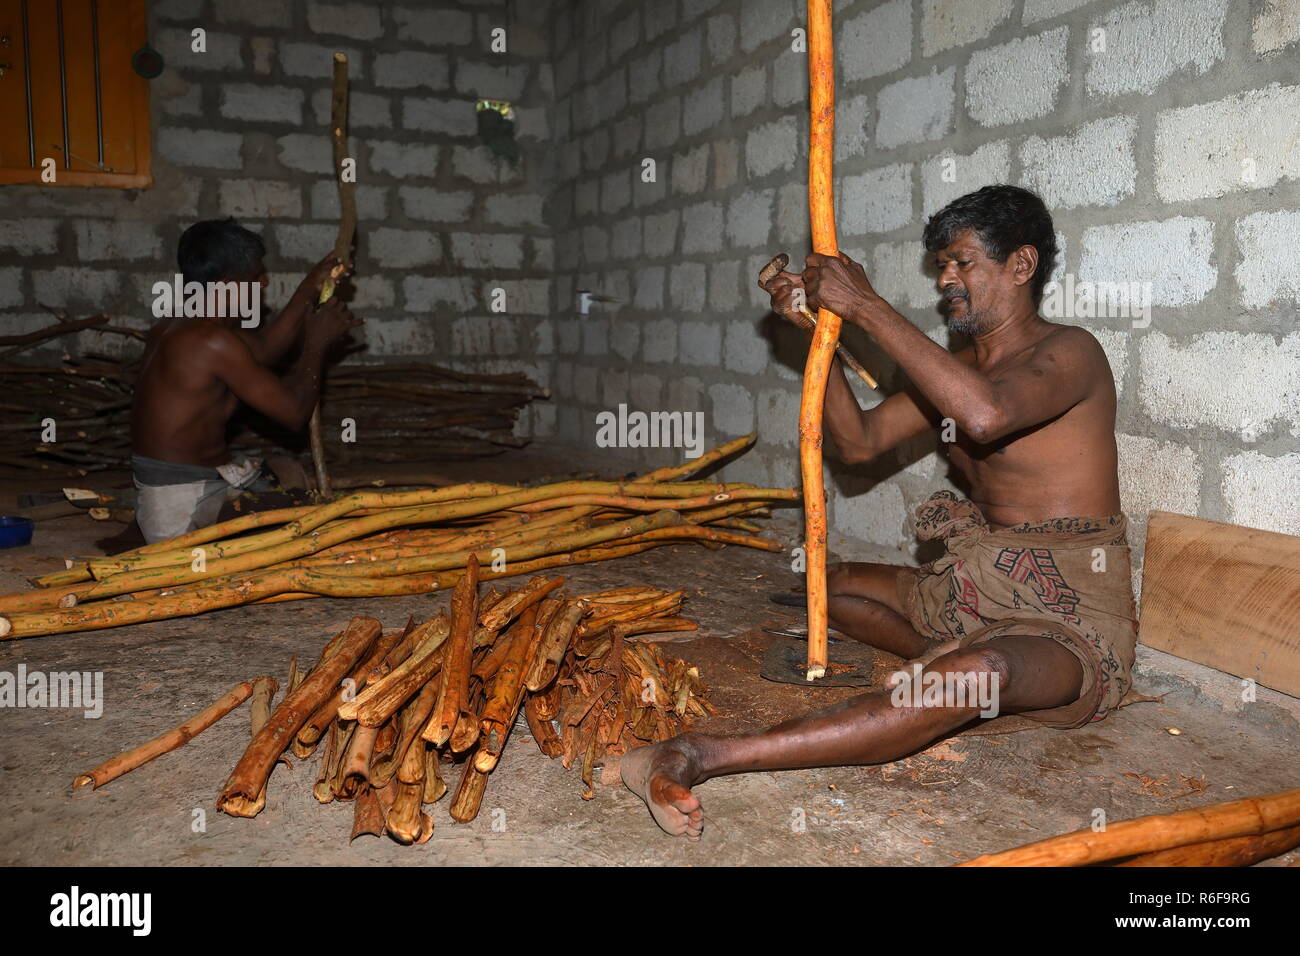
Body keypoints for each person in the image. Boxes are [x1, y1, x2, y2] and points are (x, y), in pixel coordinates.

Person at [620, 184, 1138, 839]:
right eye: (941, 267)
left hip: (1065, 610)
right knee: (822, 588)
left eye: (962, 263)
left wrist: (865, 306)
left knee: (984, 671)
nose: (947, 279)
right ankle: (945, 654)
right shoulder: (951, 373)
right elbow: (858, 442)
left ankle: (701, 754)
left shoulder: (1070, 354)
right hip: (973, 590)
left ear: (1022, 265)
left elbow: (985, 414)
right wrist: (817, 334)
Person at [130, 219, 359, 543]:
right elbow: (294, 414)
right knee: (305, 526)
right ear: (228, 284)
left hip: (189, 483)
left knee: (287, 472)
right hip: (180, 503)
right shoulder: (211, 342)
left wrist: (310, 286)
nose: (264, 283)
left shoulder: (179, 326)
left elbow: (263, 352)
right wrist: (317, 344)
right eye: (255, 276)